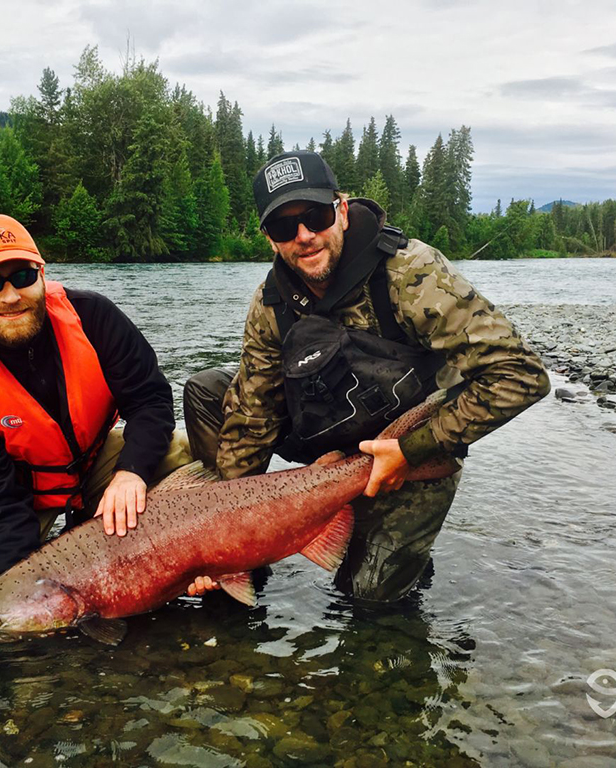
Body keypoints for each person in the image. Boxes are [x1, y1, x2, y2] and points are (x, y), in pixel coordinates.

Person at [184, 151, 550, 601]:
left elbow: (522, 373)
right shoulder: (271, 303)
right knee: (208, 390)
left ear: (340, 208)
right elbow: (253, 418)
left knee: (366, 598)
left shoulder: (411, 273)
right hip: (322, 433)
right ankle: (246, 570)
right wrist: (221, 546)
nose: (304, 237)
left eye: (315, 216)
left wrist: (411, 449)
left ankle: (400, 542)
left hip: (410, 450)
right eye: (284, 227)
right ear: (269, 238)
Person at [0, 214, 191, 576]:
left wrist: (131, 473)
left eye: (22, 276)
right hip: (10, 492)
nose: (11, 296)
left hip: (92, 462)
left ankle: (91, 518)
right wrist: (31, 587)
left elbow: (150, 401)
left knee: (185, 453)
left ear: (41, 274)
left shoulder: (94, 317)